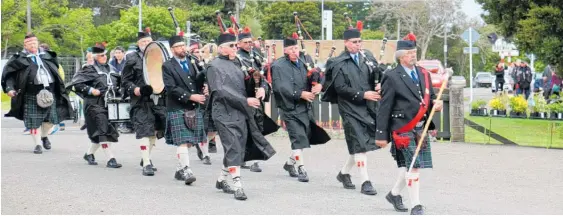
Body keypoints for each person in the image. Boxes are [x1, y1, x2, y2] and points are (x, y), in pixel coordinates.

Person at [375, 35, 443, 215]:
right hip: (402, 127)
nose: (413, 55)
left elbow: (430, 99)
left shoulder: (424, 74)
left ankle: (394, 194)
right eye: (409, 53)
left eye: (414, 52)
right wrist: (381, 134)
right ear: (400, 56)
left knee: (409, 165)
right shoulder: (391, 76)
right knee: (413, 165)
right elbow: (384, 106)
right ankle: (416, 205)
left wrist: (437, 104)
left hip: (421, 127)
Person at [206, 29, 277, 200]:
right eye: (231, 46)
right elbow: (221, 91)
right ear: (221, 48)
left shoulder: (238, 62)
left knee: (237, 147)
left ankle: (221, 180)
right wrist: (245, 101)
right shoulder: (213, 66)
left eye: (235, 45)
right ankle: (238, 185)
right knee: (233, 146)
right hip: (223, 113)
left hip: (241, 112)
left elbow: (253, 80)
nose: (234, 48)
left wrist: (261, 88)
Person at [321, 23, 381, 196]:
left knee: (359, 142)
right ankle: (365, 182)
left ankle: (344, 173)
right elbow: (340, 88)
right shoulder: (338, 62)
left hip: (368, 106)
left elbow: (377, 75)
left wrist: (379, 86)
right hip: (349, 107)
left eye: (360, 41)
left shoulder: (367, 57)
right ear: (346, 43)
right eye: (354, 42)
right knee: (360, 144)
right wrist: (363, 95)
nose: (358, 45)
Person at [271, 34, 330, 183]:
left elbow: (318, 75)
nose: (294, 51)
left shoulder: (305, 60)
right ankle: (301, 168)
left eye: (296, 48)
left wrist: (318, 85)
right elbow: (279, 88)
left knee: (304, 136)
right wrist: (299, 94)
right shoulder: (278, 66)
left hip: (306, 106)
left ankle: (290, 163)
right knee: (298, 137)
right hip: (289, 107)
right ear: (285, 50)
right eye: (291, 49)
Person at [1, 33, 72, 154]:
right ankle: (38, 144)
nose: (33, 45)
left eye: (34, 43)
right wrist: (9, 89)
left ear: (38, 43)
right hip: (31, 93)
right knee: (34, 121)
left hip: (50, 92)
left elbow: (56, 71)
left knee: (51, 120)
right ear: (25, 45)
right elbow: (9, 76)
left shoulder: (47, 55)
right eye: (30, 43)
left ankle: (44, 136)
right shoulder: (19, 58)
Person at [67, 42, 122, 168]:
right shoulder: (89, 69)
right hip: (93, 104)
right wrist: (91, 90)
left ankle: (89, 154)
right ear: (96, 57)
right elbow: (77, 84)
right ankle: (110, 158)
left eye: (105, 55)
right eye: (101, 55)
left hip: (110, 104)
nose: (104, 57)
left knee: (107, 131)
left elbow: (119, 85)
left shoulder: (113, 69)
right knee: (102, 130)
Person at [162, 34, 208, 185]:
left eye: (183, 46)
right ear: (172, 49)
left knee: (189, 142)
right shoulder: (167, 66)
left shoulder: (192, 62)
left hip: (193, 107)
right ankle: (187, 170)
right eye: (179, 46)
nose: (183, 49)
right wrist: (190, 97)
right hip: (178, 106)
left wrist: (204, 86)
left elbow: (197, 81)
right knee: (183, 140)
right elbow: (171, 88)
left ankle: (179, 168)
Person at [121, 27, 167, 176]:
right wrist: (134, 89)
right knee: (144, 130)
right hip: (140, 100)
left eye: (148, 41)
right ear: (138, 43)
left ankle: (146, 157)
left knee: (155, 131)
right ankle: (146, 163)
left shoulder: (159, 55)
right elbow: (125, 81)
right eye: (143, 41)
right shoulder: (131, 58)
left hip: (158, 99)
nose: (146, 43)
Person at [236, 27, 271, 173]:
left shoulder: (255, 57)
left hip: (257, 99)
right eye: (246, 42)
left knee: (257, 128)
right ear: (238, 43)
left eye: (251, 41)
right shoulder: (236, 58)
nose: (249, 44)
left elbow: (262, 76)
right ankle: (242, 157)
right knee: (242, 129)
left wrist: (263, 87)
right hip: (243, 98)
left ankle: (256, 160)